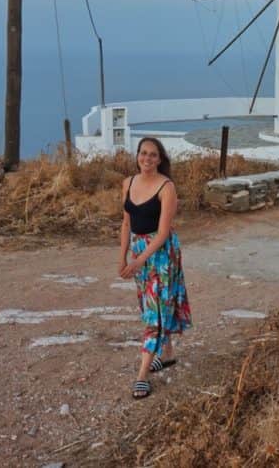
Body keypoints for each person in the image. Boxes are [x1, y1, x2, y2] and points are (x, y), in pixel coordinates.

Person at [118, 137, 192, 399]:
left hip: (161, 254)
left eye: (153, 155)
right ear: (137, 155)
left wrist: (139, 261)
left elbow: (162, 234)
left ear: (160, 159)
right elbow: (126, 224)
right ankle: (168, 354)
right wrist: (123, 257)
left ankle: (141, 376)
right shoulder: (128, 183)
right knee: (151, 305)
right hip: (139, 249)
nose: (147, 159)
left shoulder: (166, 187)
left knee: (154, 310)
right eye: (143, 153)